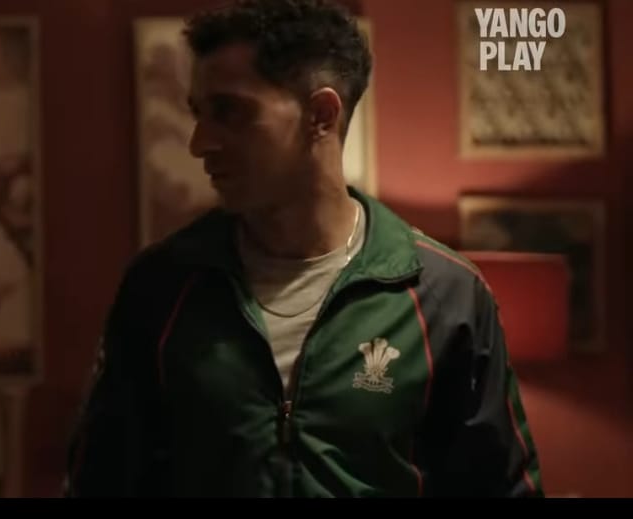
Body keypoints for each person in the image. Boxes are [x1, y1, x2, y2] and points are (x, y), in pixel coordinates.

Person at [66, 0, 543, 498]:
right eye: (199, 114)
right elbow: (101, 482)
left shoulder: (443, 294)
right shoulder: (163, 285)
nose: (200, 143)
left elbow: (503, 488)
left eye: (230, 111)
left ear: (321, 115)